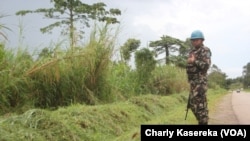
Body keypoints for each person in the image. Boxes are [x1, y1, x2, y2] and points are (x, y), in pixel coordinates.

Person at [186, 30, 212, 125]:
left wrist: (194, 61)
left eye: (196, 40)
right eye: (193, 40)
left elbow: (206, 66)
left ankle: (203, 123)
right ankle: (202, 121)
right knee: (192, 105)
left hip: (200, 83)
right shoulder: (192, 52)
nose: (194, 42)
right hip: (193, 83)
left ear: (202, 40)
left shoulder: (205, 50)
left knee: (200, 106)